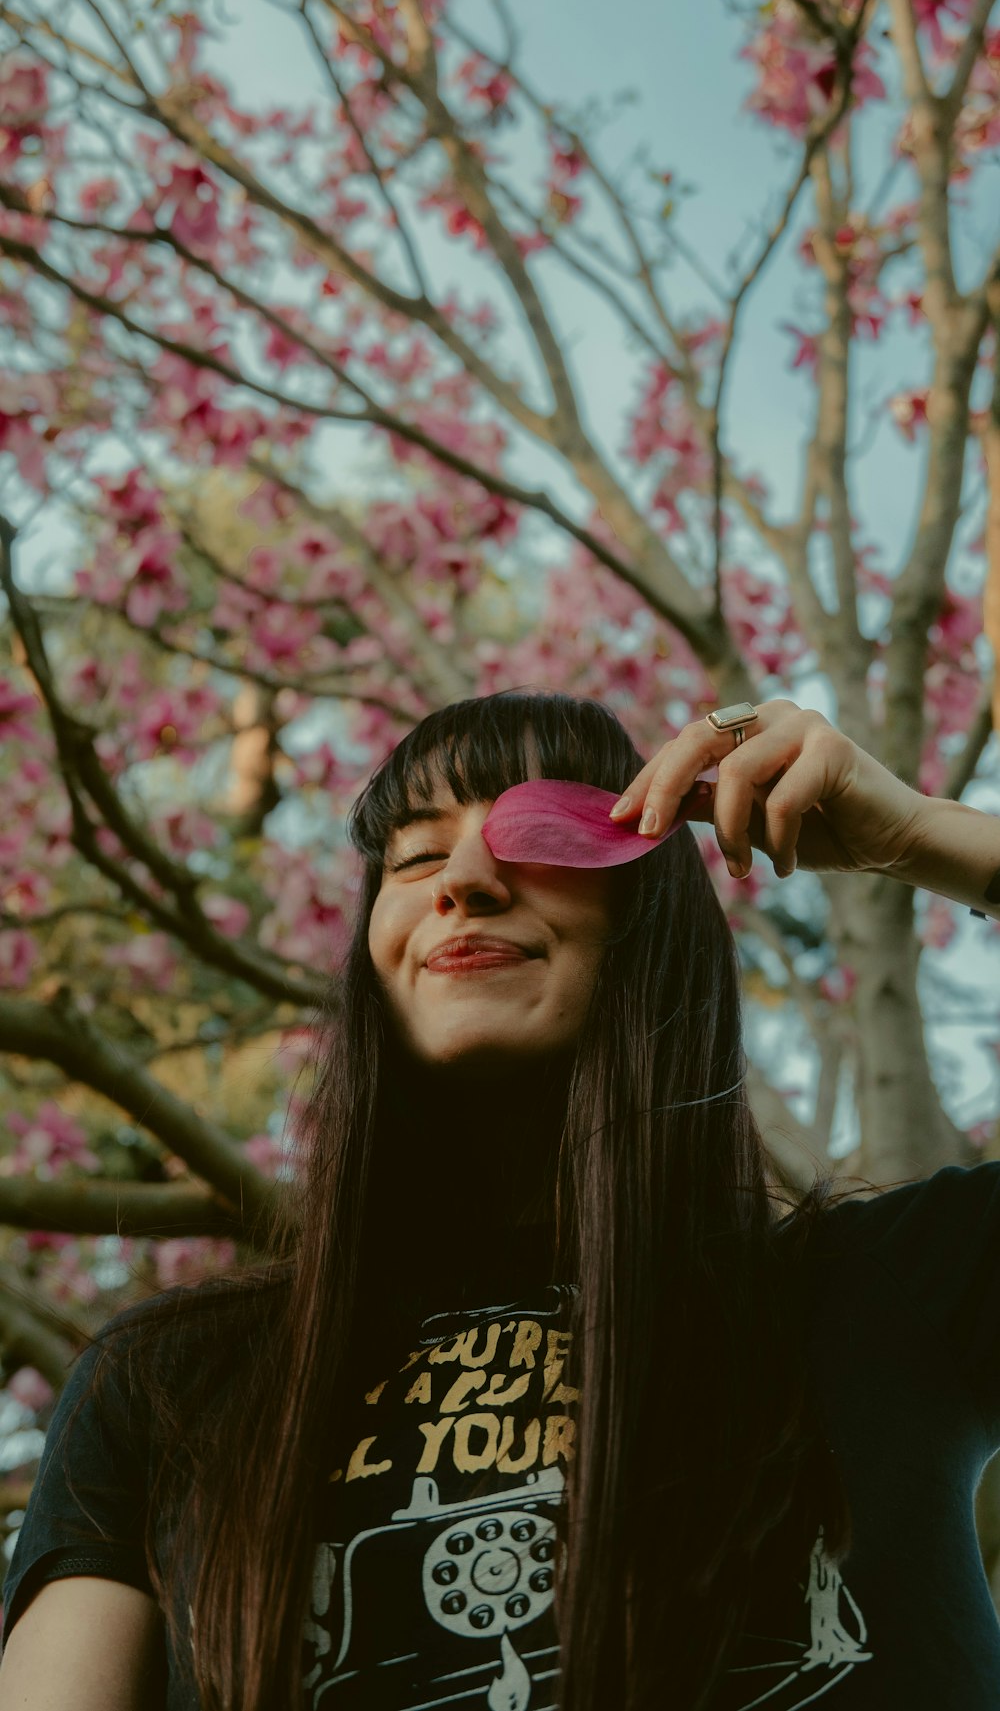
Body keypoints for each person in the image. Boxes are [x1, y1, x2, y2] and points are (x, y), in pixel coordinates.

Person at [2, 688, 1000, 1711]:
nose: (467, 880)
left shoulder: (885, 1293)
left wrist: (924, 837)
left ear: (646, 908)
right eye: (416, 855)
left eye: (538, 835)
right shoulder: (164, 1383)